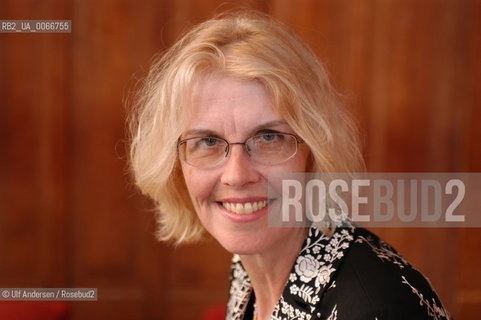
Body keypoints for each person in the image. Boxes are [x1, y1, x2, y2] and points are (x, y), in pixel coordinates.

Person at [129, 11, 451, 320]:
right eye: (209, 142)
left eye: (268, 137)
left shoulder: (375, 309)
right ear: (175, 165)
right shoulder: (252, 261)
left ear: (314, 150)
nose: (237, 175)